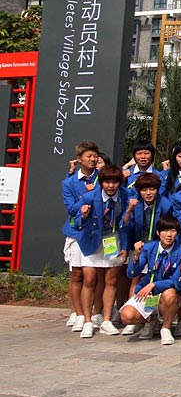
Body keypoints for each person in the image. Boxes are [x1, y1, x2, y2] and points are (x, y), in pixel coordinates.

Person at [75, 164, 130, 338]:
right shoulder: (90, 196)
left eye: (115, 182)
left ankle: (106, 319)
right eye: (107, 182)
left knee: (111, 280)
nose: (111, 186)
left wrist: (125, 247)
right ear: (101, 183)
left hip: (112, 239)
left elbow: (126, 225)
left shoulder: (125, 196)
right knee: (89, 279)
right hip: (92, 240)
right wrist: (83, 215)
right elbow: (76, 221)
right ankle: (87, 321)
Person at [120, 216, 181, 344]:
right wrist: (136, 256)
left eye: (173, 231)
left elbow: (178, 283)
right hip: (148, 293)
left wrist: (154, 284)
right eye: (165, 231)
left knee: (170, 294)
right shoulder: (149, 248)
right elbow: (132, 273)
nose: (169, 235)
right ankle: (150, 320)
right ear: (158, 232)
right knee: (126, 317)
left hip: (167, 293)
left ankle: (166, 328)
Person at [61, 141, 100, 333]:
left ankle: (94, 313)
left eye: (95, 156)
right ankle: (77, 314)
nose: (92, 159)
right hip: (77, 232)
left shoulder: (103, 178)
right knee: (77, 274)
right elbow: (71, 208)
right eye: (88, 156)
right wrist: (87, 196)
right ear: (79, 159)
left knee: (93, 276)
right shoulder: (69, 182)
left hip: (98, 232)